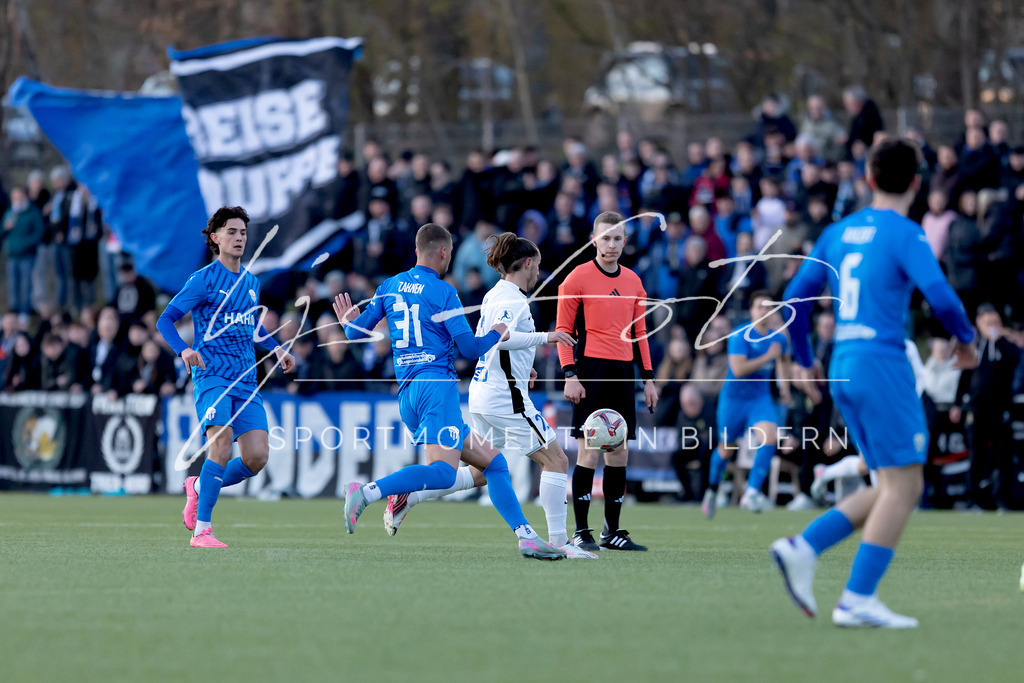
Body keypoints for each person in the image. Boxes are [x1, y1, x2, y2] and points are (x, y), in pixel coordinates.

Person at [771, 139, 977, 629]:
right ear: (916, 182)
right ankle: (856, 597)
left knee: (888, 483)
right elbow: (942, 296)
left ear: (867, 178)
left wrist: (803, 359)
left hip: (844, 361)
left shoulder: (838, 231)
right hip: (882, 362)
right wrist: (965, 340)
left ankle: (805, 547)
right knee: (906, 485)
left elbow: (794, 298)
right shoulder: (907, 232)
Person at [336, 223, 566, 561]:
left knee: (495, 466)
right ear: (444, 253)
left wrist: (346, 322)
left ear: (418, 249)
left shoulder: (389, 285)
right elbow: (471, 348)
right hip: (437, 389)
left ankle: (527, 537)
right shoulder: (444, 292)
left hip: (408, 393)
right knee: (443, 471)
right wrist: (498, 333)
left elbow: (356, 335)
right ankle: (366, 491)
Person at [379, 232, 595, 558]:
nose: (538, 271)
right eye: (536, 265)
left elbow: (486, 339)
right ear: (527, 263)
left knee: (482, 472)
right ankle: (561, 543)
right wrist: (548, 337)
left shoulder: (496, 294)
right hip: (503, 397)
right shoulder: (512, 298)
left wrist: (525, 368)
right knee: (557, 460)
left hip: (485, 392)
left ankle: (411, 496)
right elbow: (501, 338)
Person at [156, 206, 296, 548]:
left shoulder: (250, 282)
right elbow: (165, 320)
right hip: (213, 376)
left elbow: (252, 325)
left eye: (243, 233)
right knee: (221, 444)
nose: (239, 238)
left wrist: (276, 348)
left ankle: (199, 486)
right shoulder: (203, 279)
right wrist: (183, 350)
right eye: (231, 232)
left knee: (256, 457)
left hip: (247, 380)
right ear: (215, 238)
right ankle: (202, 530)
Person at [556, 211, 658, 552]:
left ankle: (612, 532)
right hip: (590, 371)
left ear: (625, 241)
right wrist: (570, 375)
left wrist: (649, 380)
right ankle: (582, 531)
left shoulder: (634, 282)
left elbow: (641, 333)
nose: (611, 244)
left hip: (622, 374)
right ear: (593, 240)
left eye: (617, 238)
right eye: (606, 238)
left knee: (619, 452)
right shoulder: (576, 279)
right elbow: (563, 333)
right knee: (589, 450)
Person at [702, 290, 791, 517]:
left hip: (759, 399)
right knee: (726, 449)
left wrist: (785, 387)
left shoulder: (779, 338)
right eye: (760, 306)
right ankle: (712, 490)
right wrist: (767, 357)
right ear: (751, 311)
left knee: (770, 437)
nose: (764, 311)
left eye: (768, 307)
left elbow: (783, 360)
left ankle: (751, 493)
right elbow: (739, 369)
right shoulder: (740, 335)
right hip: (733, 400)